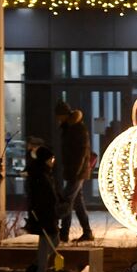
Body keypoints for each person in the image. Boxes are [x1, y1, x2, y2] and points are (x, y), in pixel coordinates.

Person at [56, 103, 94, 244]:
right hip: (74, 171)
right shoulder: (68, 128)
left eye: (59, 116)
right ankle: (87, 232)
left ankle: (63, 233)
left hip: (77, 172)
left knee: (67, 201)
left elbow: (81, 154)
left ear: (65, 115)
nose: (58, 119)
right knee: (77, 203)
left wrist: (75, 172)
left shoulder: (78, 129)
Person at [24, 146, 60, 272]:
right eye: (51, 158)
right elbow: (38, 196)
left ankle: (36, 266)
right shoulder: (39, 175)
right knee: (46, 243)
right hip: (43, 214)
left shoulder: (45, 173)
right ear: (45, 160)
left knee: (52, 241)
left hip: (48, 213)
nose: (53, 161)